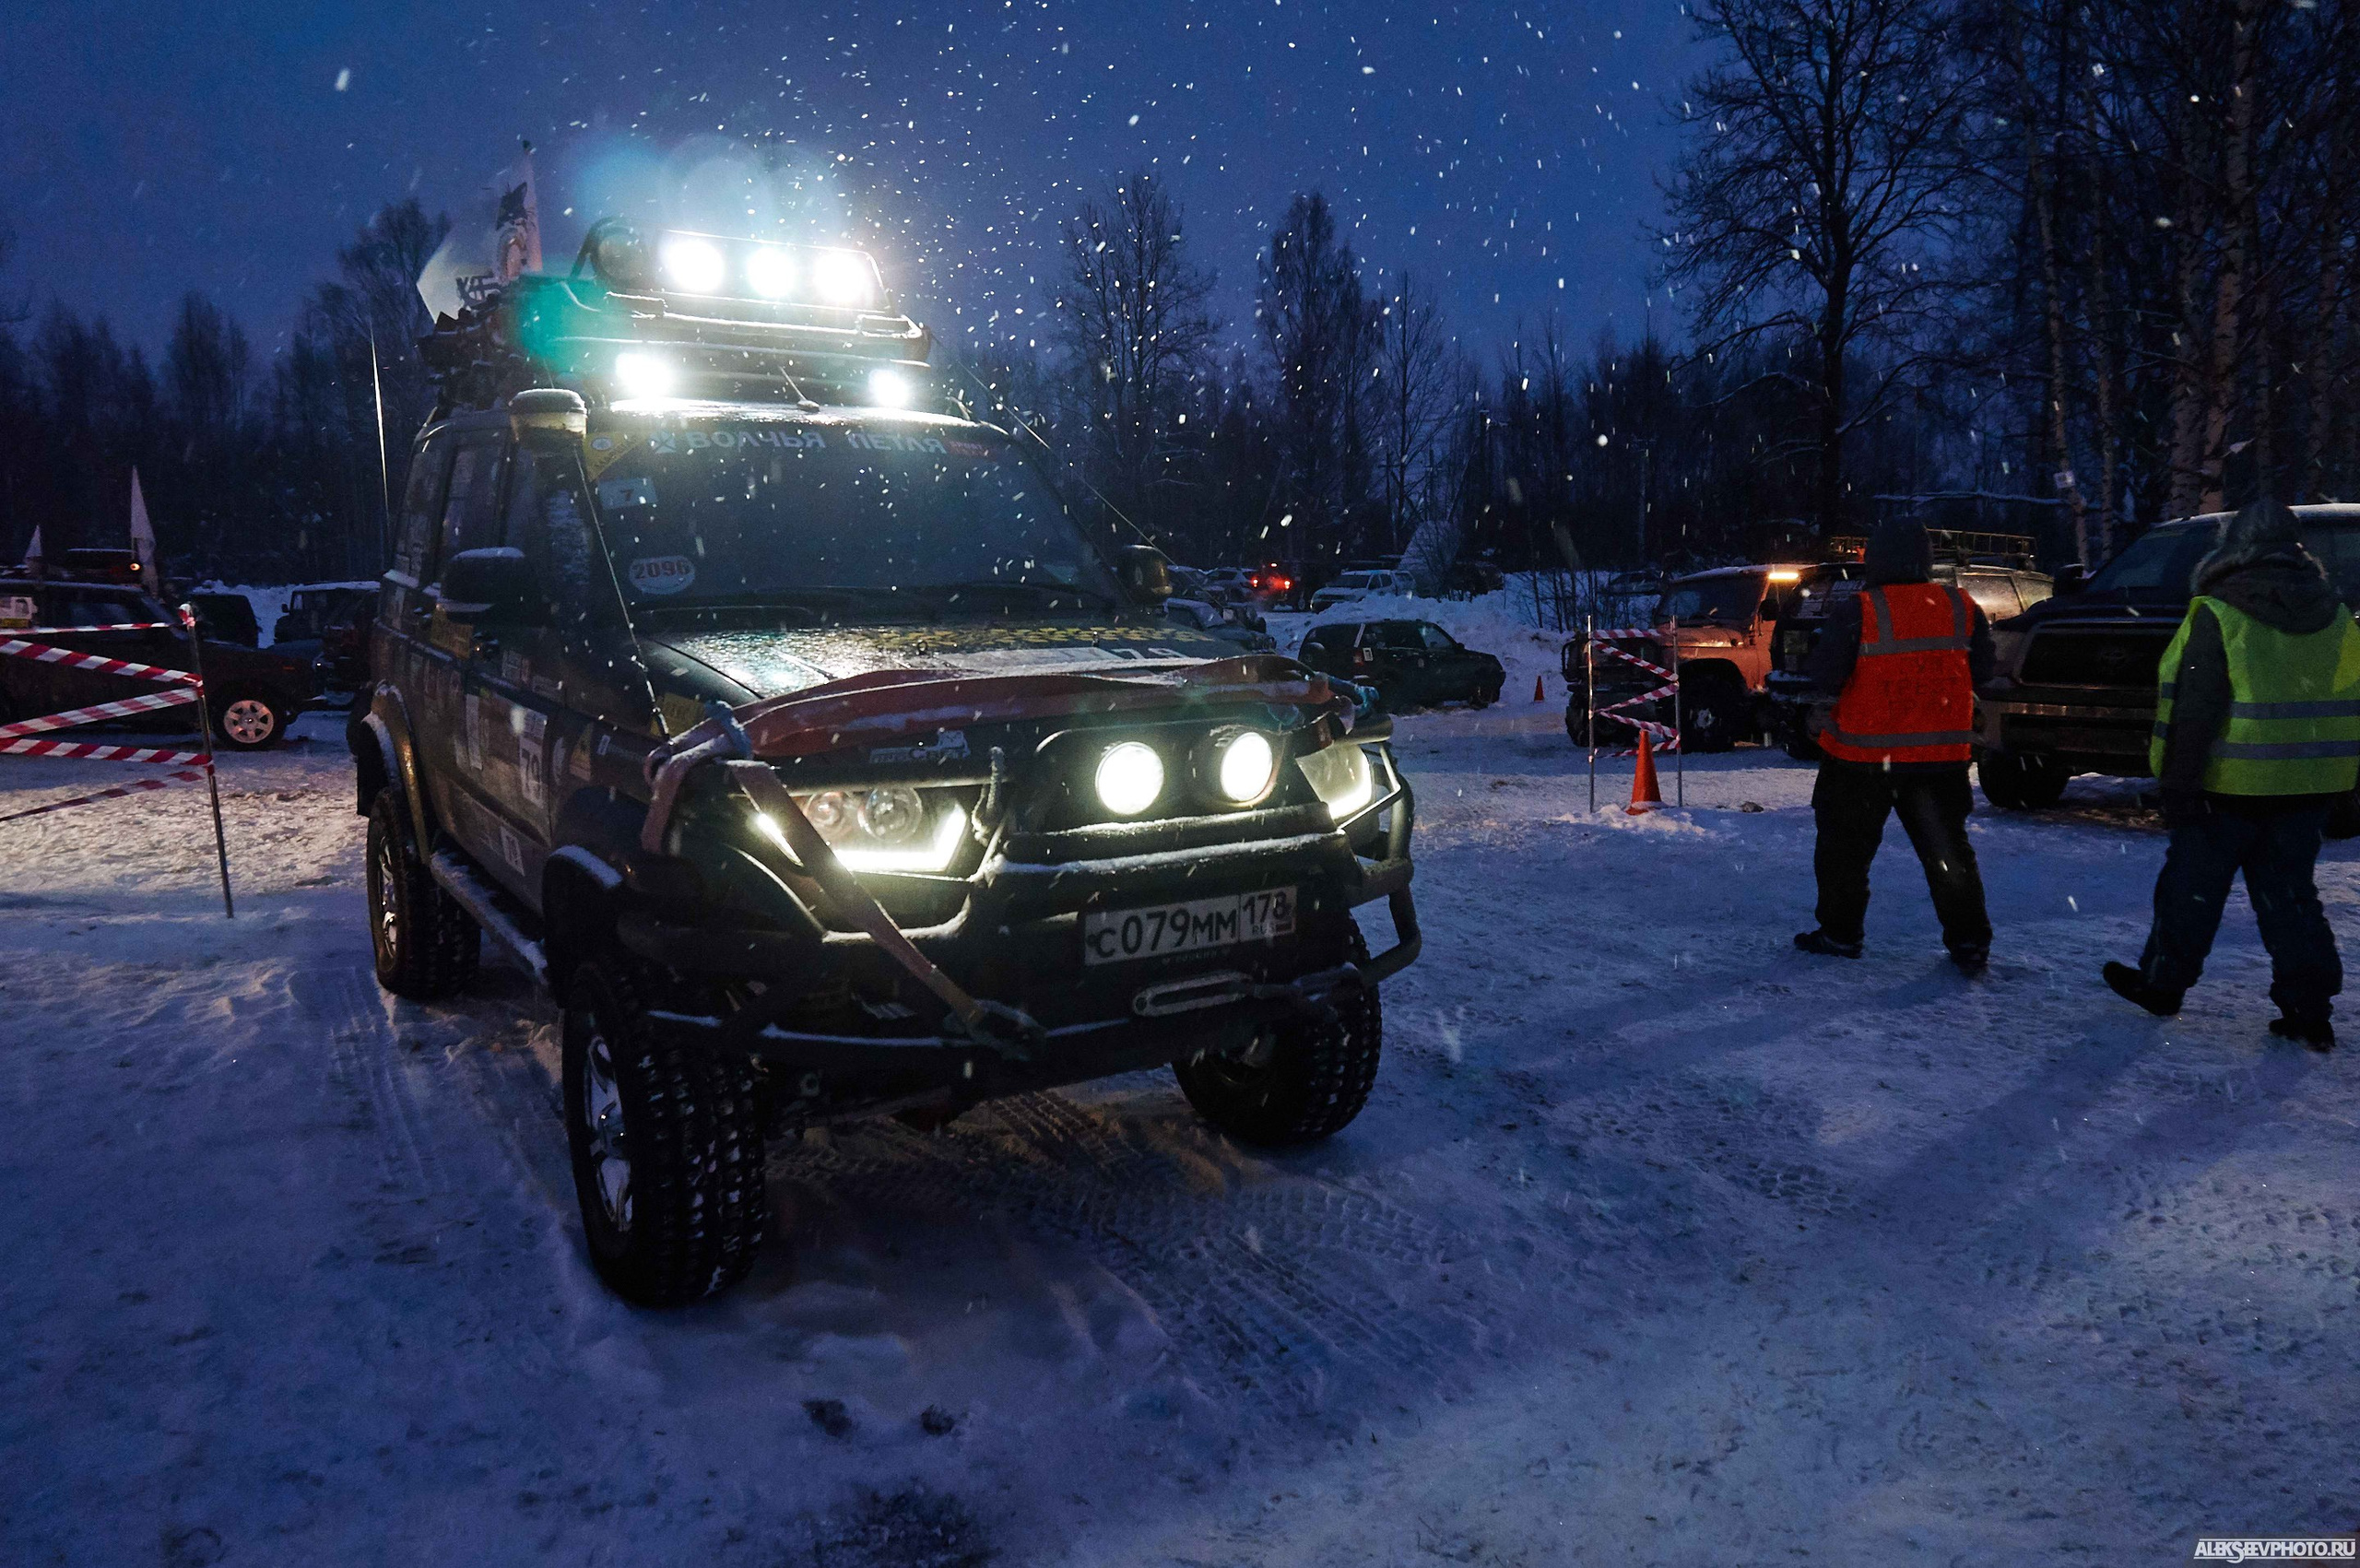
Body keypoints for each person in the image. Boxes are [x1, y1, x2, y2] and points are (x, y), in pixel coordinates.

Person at [2102, 499, 2360, 1052]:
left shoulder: (2218, 613)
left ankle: (2162, 985)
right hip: (2307, 786)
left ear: (2234, 547)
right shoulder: (2338, 616)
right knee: (2290, 895)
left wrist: (2178, 783)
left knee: (2192, 891)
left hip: (2228, 784)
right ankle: (2309, 1008)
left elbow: (2195, 710)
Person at [1792, 519, 1996, 974]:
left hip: (1861, 762)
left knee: (1844, 854)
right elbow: (1985, 672)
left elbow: (1825, 676)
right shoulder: (1961, 606)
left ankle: (1841, 934)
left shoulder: (1859, 610)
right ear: (1926, 560)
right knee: (1948, 855)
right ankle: (1969, 943)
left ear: (1875, 559)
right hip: (1941, 760)